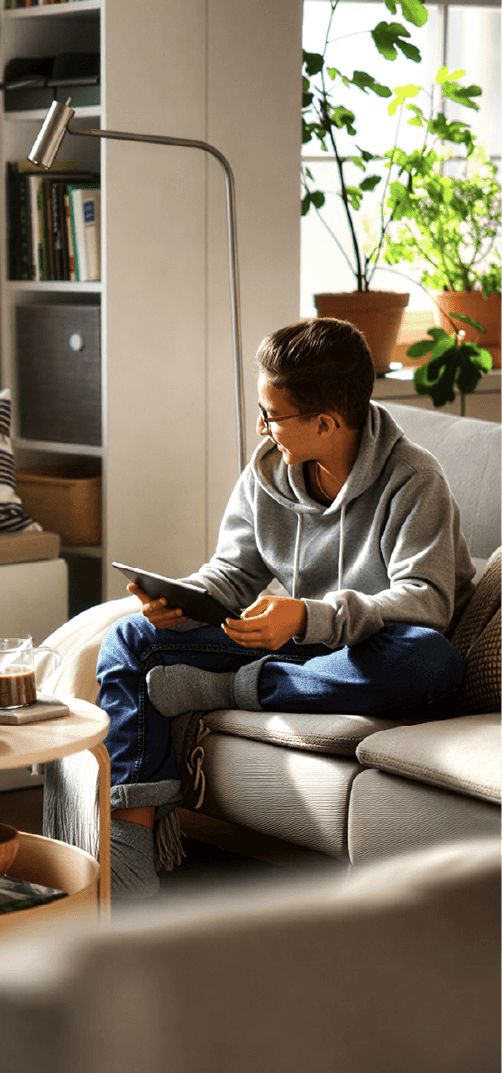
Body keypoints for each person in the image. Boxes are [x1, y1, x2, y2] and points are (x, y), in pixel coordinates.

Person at [98, 317, 473, 899]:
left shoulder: (414, 479)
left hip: (372, 648)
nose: (261, 426)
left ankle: (229, 688)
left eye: (271, 415)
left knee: (432, 663)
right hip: (291, 638)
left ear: (325, 423)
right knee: (127, 641)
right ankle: (129, 846)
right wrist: (186, 600)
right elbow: (234, 571)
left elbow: (426, 601)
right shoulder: (267, 471)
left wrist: (308, 616)